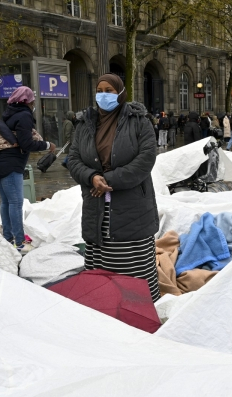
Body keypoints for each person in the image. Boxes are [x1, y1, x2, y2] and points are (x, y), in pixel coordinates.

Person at [67, 74, 161, 303]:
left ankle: (137, 305)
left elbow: (146, 159)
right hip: (95, 203)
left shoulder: (139, 120)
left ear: (120, 92)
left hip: (132, 206)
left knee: (132, 264)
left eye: (109, 90)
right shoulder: (84, 124)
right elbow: (74, 159)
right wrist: (91, 178)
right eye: (100, 90)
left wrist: (108, 180)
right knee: (101, 262)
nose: (104, 94)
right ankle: (106, 303)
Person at [0, 86, 55, 251]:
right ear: (27, 101)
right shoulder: (24, 116)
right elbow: (26, 143)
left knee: (6, 202)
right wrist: (47, 144)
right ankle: (19, 242)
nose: (34, 103)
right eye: (32, 100)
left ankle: (8, 238)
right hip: (12, 164)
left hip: (0, 162)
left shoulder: (9, 114)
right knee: (15, 203)